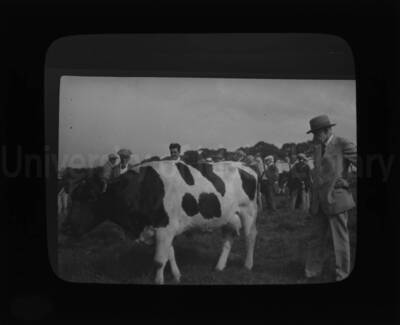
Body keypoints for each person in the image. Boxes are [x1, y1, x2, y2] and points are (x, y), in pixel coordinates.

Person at [304, 115, 357, 282]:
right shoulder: (318, 147)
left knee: (339, 241)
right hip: (318, 202)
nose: (314, 137)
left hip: (336, 201)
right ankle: (312, 273)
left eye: (316, 133)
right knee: (315, 239)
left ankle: (342, 275)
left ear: (327, 130)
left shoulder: (343, 143)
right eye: (313, 134)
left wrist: (347, 182)